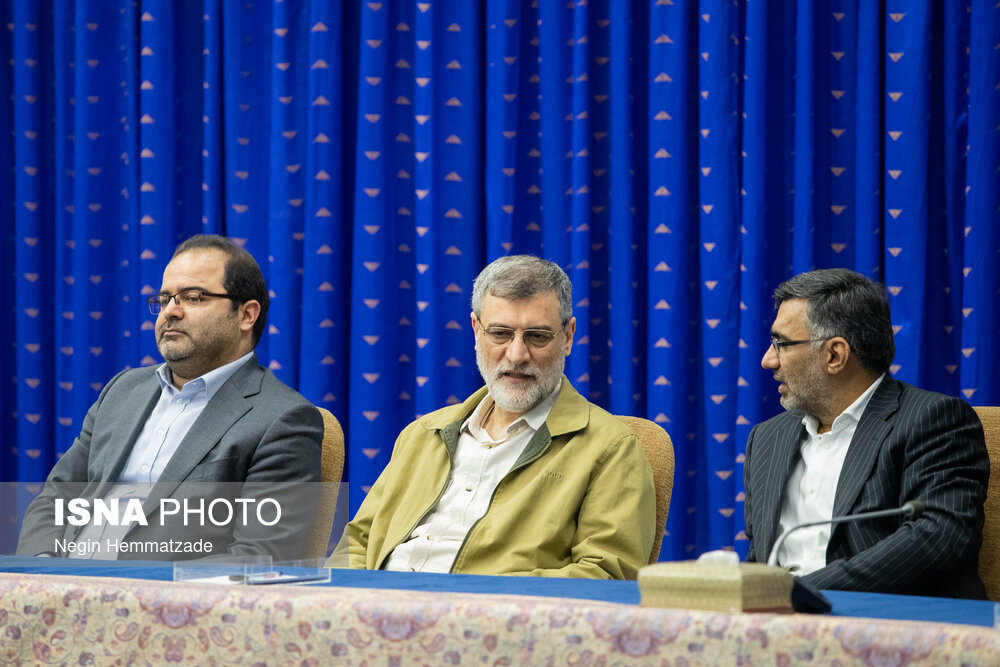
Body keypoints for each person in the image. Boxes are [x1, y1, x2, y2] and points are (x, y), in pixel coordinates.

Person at [338, 255, 656, 579]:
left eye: (537, 336)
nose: (517, 355)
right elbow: (357, 543)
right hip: (372, 604)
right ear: (476, 331)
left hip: (489, 611)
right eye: (501, 334)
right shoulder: (422, 433)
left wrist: (469, 600)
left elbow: (606, 576)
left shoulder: (612, 449)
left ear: (568, 336)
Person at [17, 235, 323, 561]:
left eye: (192, 298)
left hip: (156, 592)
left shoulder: (282, 420)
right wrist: (42, 567)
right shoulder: (122, 390)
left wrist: (128, 585)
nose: (170, 312)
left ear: (246, 315)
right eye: (164, 300)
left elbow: (256, 557)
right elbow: (55, 499)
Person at [743, 268, 989, 598]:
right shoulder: (766, 439)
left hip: (890, 619)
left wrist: (800, 592)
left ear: (834, 355)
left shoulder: (932, 420)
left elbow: (937, 537)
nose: (767, 360)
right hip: (777, 618)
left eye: (781, 344)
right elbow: (761, 558)